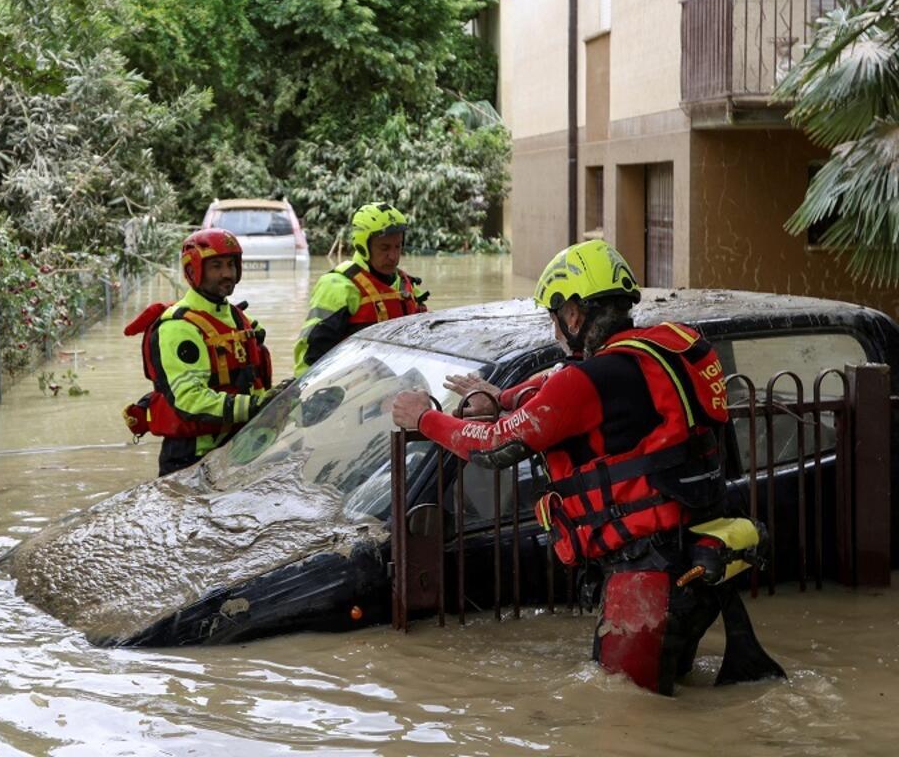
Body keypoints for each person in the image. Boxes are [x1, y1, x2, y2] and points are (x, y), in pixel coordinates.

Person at [391, 239, 784, 696]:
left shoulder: (590, 381)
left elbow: (494, 447)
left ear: (574, 314)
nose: (554, 329)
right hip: (696, 559)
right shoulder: (663, 351)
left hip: (645, 579)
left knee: (626, 718)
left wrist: (424, 417)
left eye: (553, 317)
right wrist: (500, 397)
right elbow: (558, 382)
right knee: (668, 698)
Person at [123, 228, 275, 476]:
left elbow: (254, 385)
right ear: (194, 271)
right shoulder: (177, 327)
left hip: (239, 448)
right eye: (216, 266)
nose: (227, 274)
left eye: (230, 265)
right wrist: (255, 406)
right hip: (191, 457)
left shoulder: (237, 318)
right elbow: (190, 399)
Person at [293, 202, 427, 376]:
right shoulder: (338, 286)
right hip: (355, 390)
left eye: (398, 246)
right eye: (384, 248)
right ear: (363, 245)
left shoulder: (406, 284)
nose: (393, 256)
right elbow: (310, 353)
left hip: (400, 383)